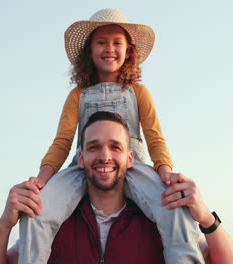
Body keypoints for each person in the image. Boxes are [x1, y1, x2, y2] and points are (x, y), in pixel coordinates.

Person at [20, 8, 203, 263]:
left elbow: (155, 137)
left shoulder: (138, 92)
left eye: (118, 42)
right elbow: (62, 141)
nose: (110, 49)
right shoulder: (77, 95)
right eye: (101, 42)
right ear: (90, 51)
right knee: (37, 210)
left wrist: (164, 172)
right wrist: (41, 180)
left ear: (128, 51)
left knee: (174, 208)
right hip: (85, 166)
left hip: (133, 164)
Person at [0, 111, 233, 264]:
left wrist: (206, 218)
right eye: (94, 147)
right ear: (80, 158)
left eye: (115, 147)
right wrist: (4, 225)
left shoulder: (162, 217)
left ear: (131, 159)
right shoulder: (54, 221)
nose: (104, 156)